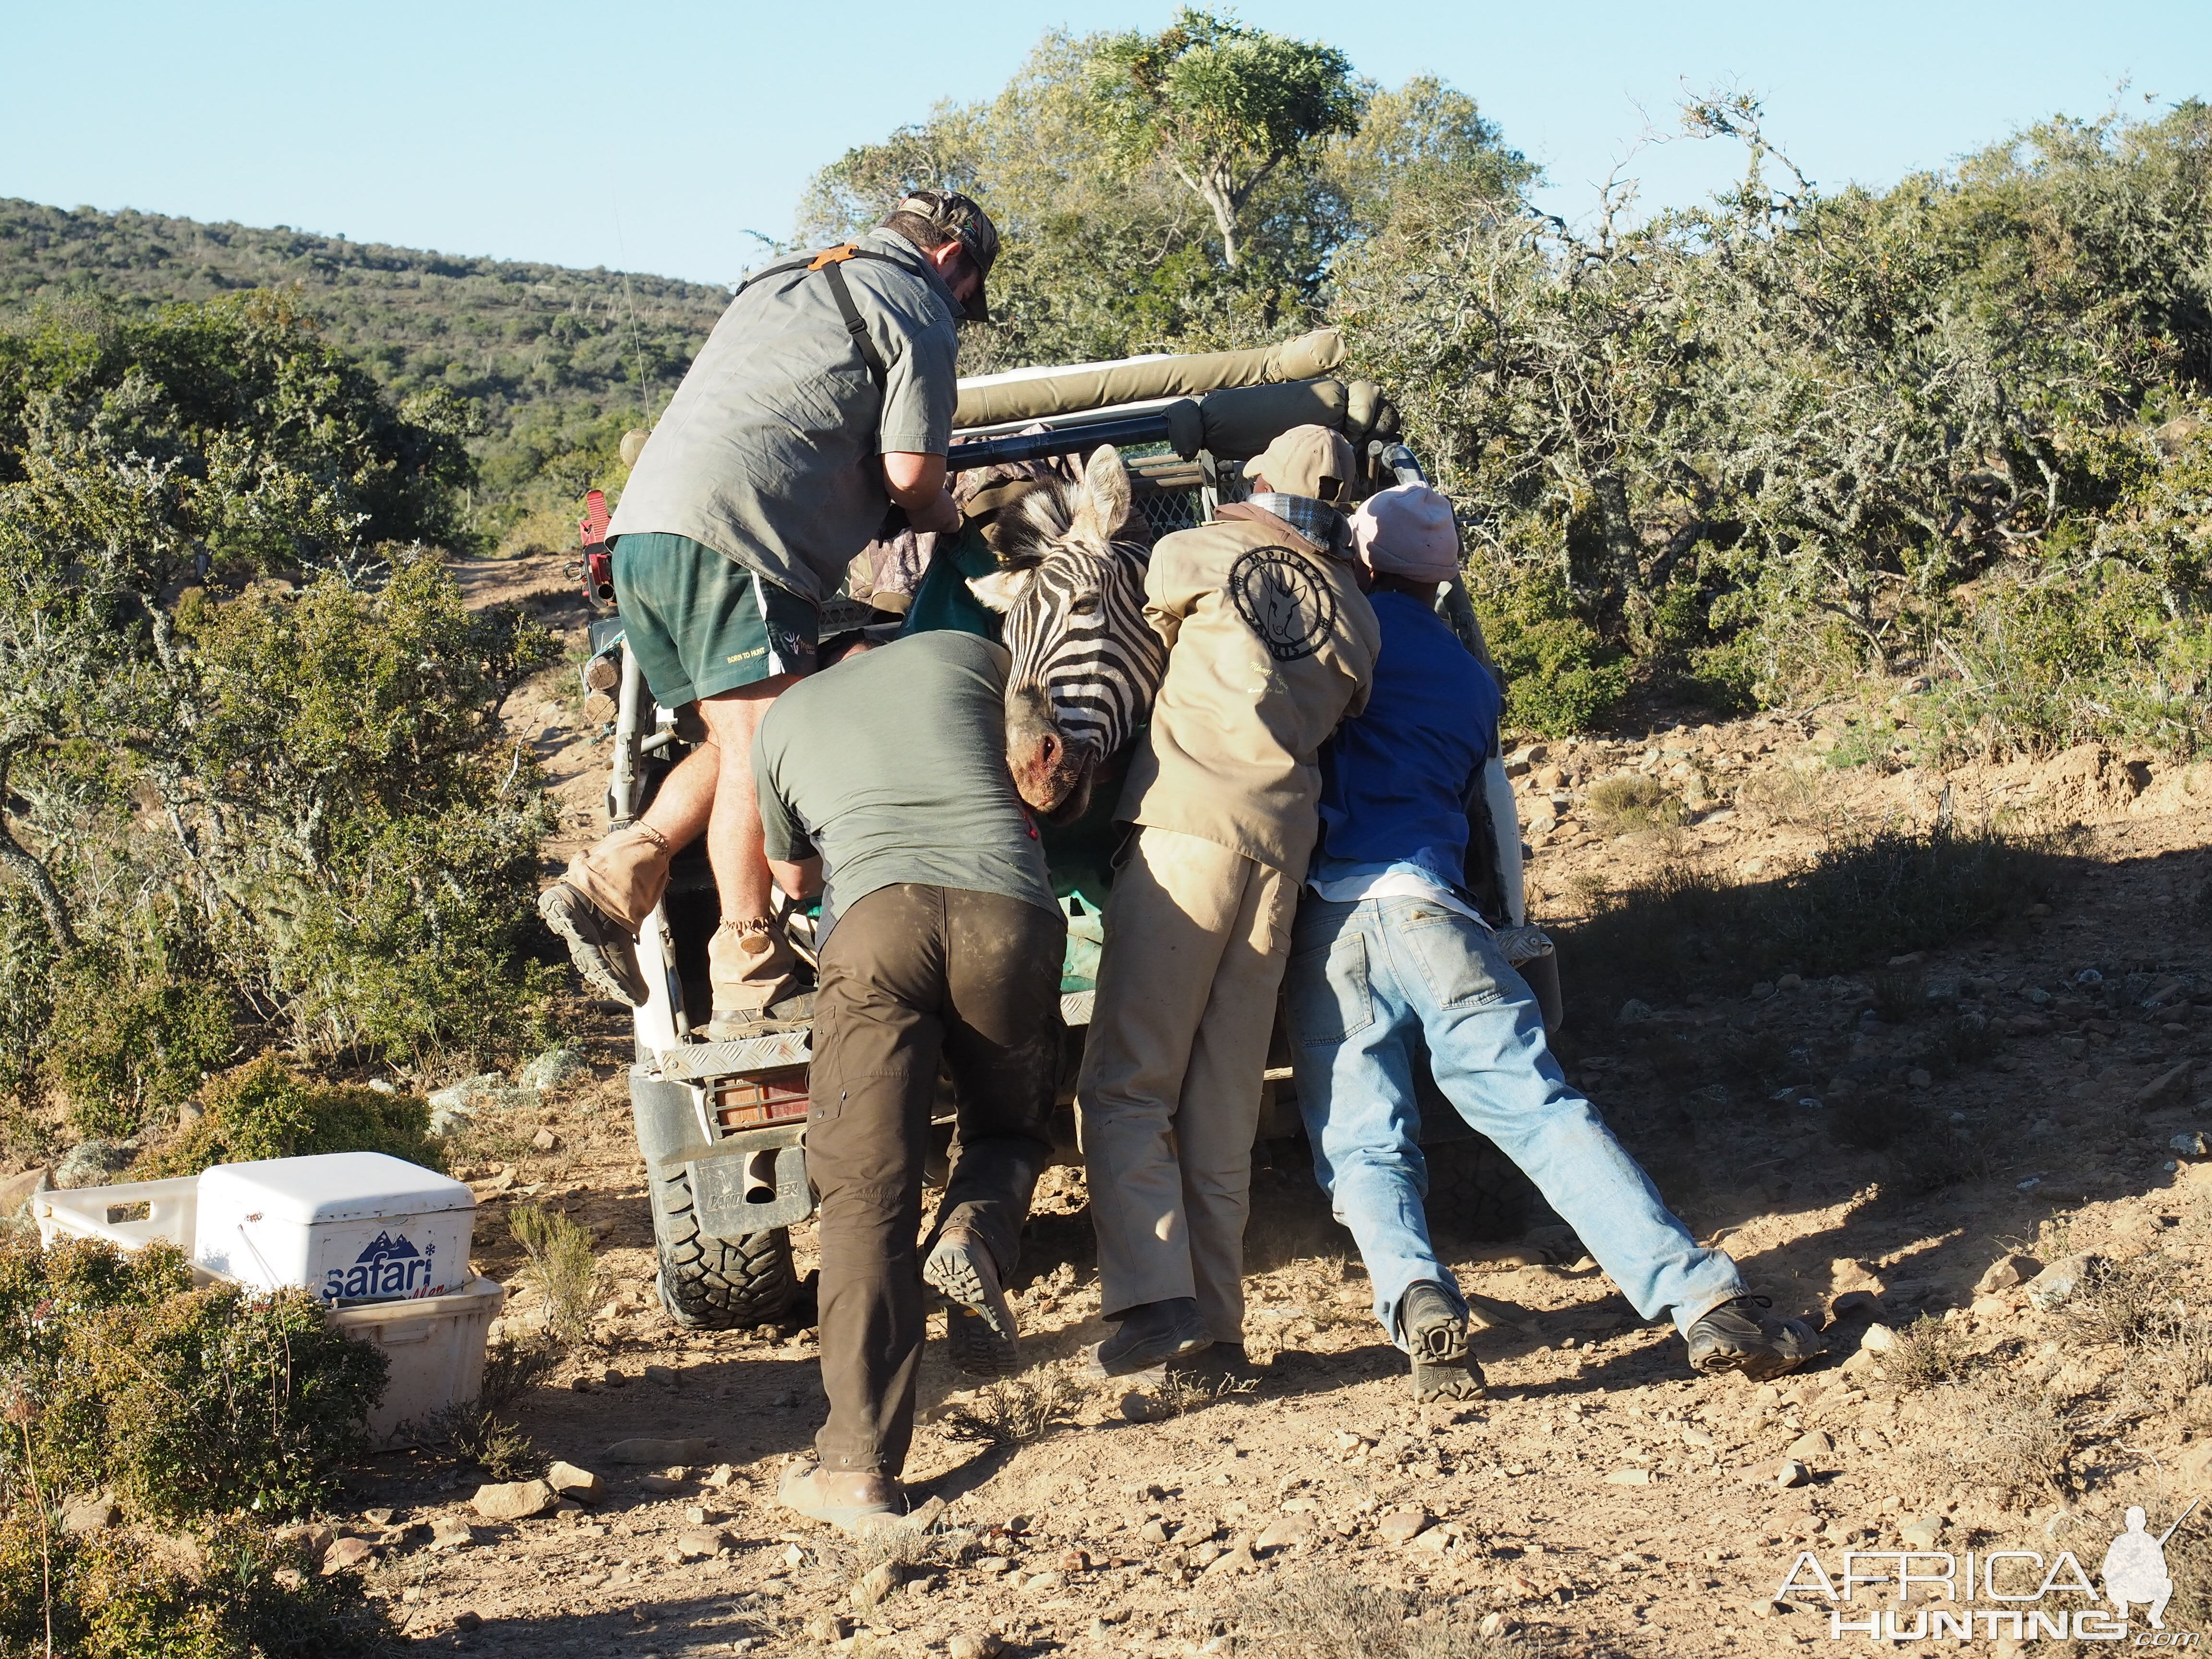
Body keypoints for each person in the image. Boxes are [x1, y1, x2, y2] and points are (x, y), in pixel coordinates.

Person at [1284, 483, 1820, 1399]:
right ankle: (1703, 1303)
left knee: (1366, 1143)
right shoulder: (1469, 679)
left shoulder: (1339, 636)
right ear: (1444, 574)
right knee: (1540, 1112)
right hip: (1434, 911)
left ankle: (1417, 1302)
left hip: (1333, 924)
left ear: (1364, 560)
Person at [538, 191, 1000, 1039]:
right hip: (740, 541)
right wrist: (953, 522)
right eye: (968, 301)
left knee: (729, 736)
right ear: (951, 262)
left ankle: (609, 882)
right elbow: (909, 475)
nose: (961, 317)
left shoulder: (780, 282)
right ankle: (750, 968)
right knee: (766, 746)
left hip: (644, 538)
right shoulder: (918, 309)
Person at [1079, 425, 1381, 1378]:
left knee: (1126, 1086)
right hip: (1280, 849)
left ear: (1253, 485)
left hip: (1186, 829)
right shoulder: (1358, 615)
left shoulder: (1192, 552)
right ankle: (1216, 1334)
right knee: (1220, 1104)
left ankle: (1152, 1299)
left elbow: (1147, 623)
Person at [757, 629, 1066, 1531]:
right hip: (1006, 912)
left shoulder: (782, 717)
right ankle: (974, 1231)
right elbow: (1039, 759)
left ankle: (858, 1468)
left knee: (866, 1195)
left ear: (823, 659)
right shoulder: (966, 653)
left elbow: (796, 874)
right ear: (881, 643)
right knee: (1008, 1125)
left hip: (874, 927)